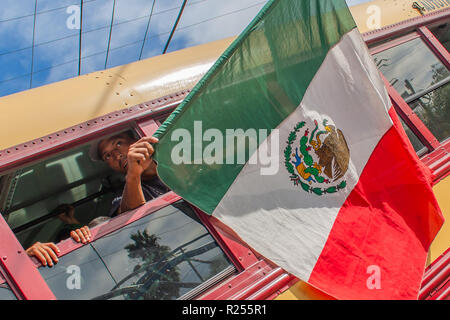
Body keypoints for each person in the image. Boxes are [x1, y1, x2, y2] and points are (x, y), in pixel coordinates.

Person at [26, 132, 167, 267]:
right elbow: (128, 216)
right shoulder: (127, 191)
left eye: (118, 143)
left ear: (136, 139)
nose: (117, 155)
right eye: (107, 156)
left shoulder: (172, 157)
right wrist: (133, 175)